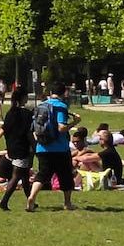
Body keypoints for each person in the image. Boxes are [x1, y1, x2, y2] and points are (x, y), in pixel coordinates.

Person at [26, 82, 77, 212]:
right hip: (60, 148)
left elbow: (34, 128)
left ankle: (32, 197)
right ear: (64, 93)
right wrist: (75, 122)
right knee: (65, 176)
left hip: (42, 147)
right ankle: (67, 203)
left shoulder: (41, 105)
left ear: (50, 92)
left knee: (42, 174)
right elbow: (61, 127)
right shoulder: (61, 106)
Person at [0, 86, 33, 210]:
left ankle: (31, 199)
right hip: (22, 148)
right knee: (16, 176)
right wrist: (34, 145)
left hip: (11, 146)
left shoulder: (10, 113)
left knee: (24, 176)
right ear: (23, 98)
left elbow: (4, 129)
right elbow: (29, 133)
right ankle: (4, 201)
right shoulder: (26, 114)